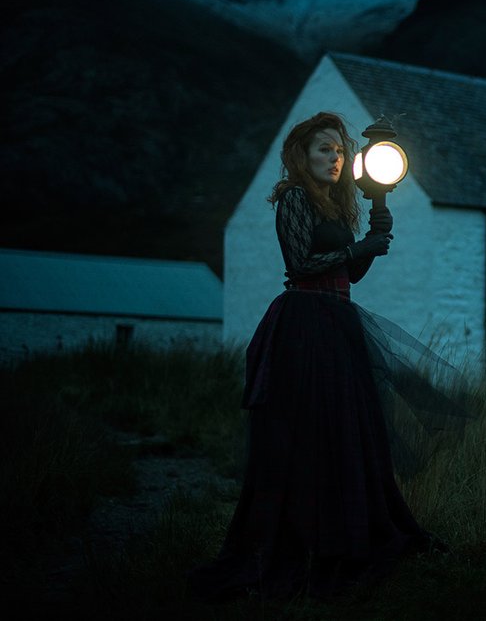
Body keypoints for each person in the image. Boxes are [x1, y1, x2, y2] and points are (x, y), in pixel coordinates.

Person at [188, 111, 469, 601]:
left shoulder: (338, 208)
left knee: (346, 431)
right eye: (324, 149)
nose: (335, 158)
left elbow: (350, 276)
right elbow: (301, 264)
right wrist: (359, 246)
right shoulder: (293, 198)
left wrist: (374, 236)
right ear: (302, 155)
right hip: (303, 323)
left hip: (338, 321)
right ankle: (297, 541)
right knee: (306, 431)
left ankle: (346, 535)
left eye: (340, 150)